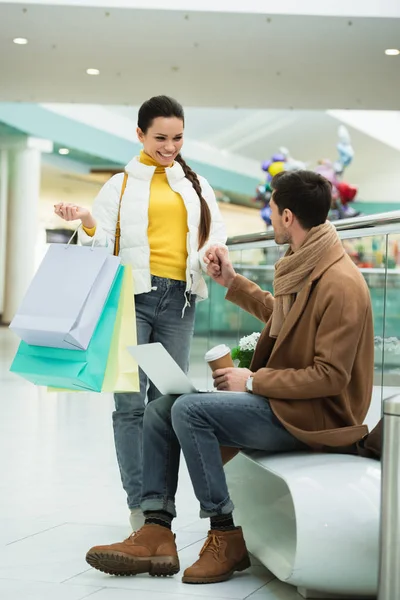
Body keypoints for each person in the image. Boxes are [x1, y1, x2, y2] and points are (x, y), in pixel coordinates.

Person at [85, 170, 374, 585]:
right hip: (286, 404)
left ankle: (224, 534)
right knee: (160, 409)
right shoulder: (307, 264)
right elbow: (285, 320)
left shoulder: (340, 283)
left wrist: (252, 382)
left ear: (288, 216)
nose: (270, 219)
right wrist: (233, 283)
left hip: (317, 418)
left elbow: (330, 377)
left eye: (272, 212)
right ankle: (155, 529)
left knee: (189, 411)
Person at [54, 95, 227, 529]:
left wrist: (212, 254)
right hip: (132, 298)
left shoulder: (197, 185)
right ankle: (141, 505)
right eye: (160, 138)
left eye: (178, 138)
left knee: (167, 403)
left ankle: (159, 504)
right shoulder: (120, 184)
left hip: (180, 301)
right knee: (129, 404)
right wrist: (88, 222)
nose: (170, 146)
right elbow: (99, 247)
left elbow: (214, 235)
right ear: (140, 135)